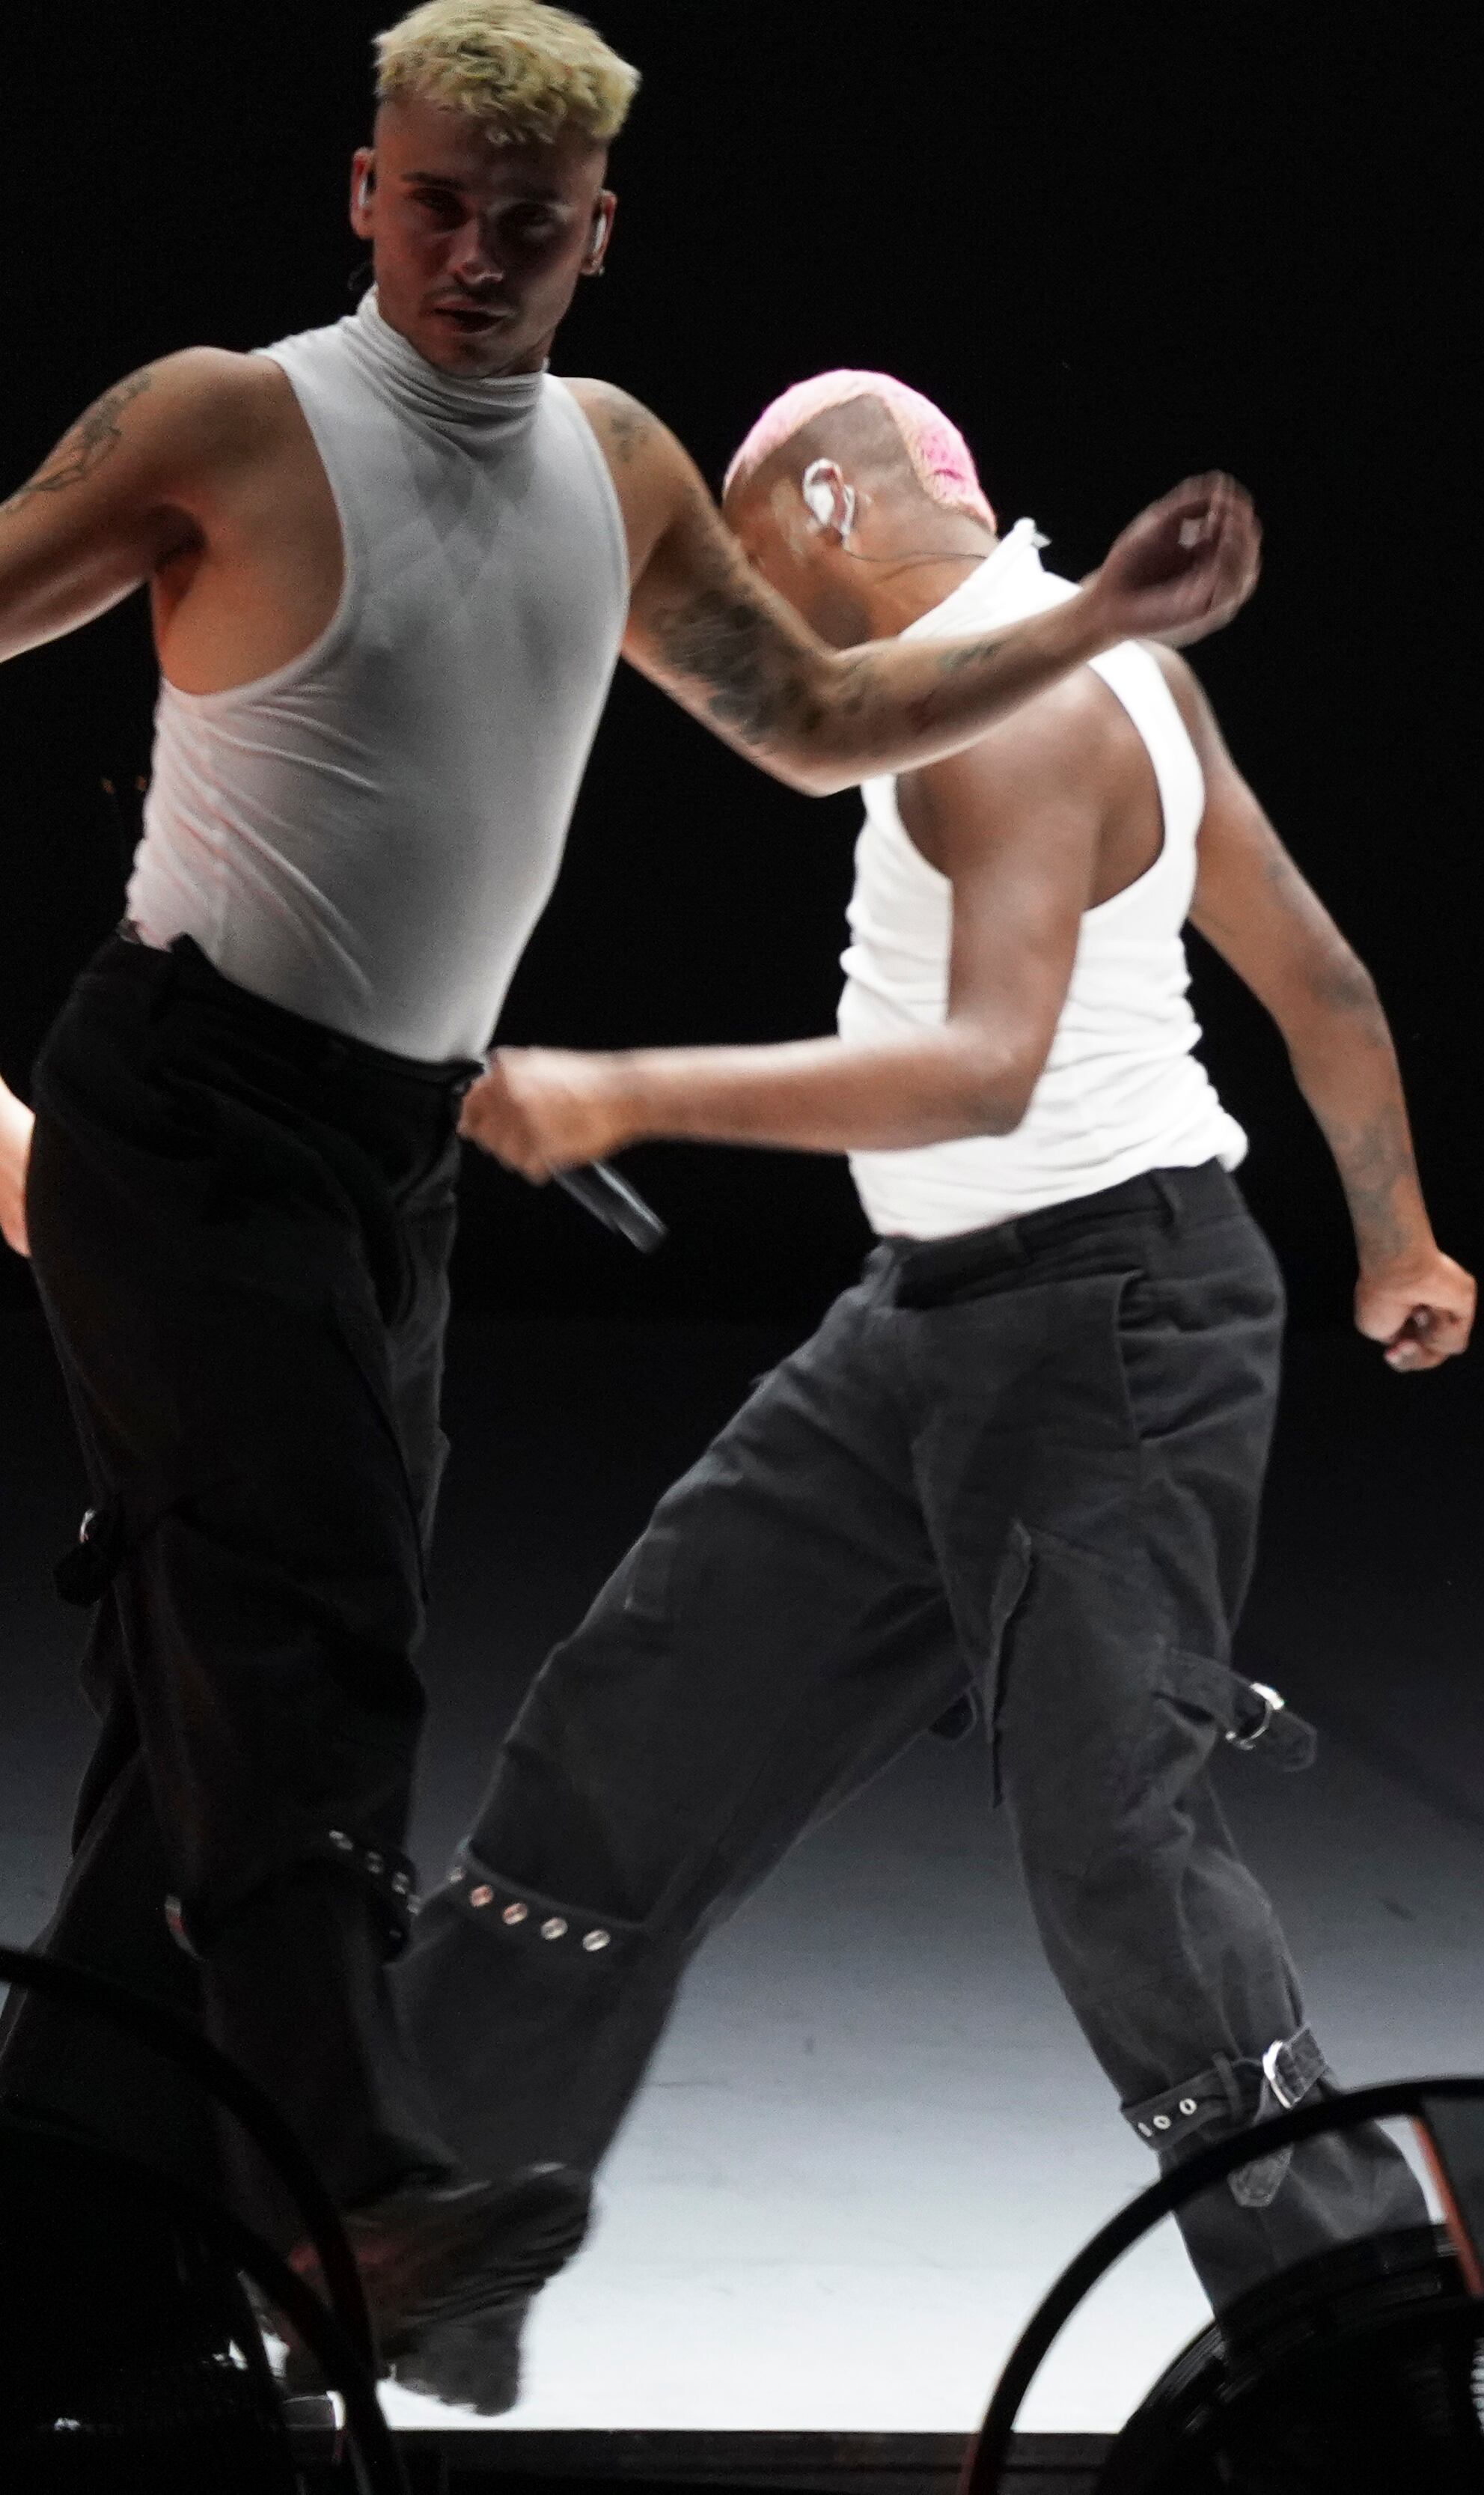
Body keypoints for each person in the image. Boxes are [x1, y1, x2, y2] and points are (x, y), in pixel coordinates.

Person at [0, 0, 1258, 2395]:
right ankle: (350, 2190)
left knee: (205, 1714)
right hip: (184, 1117)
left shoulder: (615, 459)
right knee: (307, 1634)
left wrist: (1093, 621)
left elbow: (803, 726)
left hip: (386, 1153)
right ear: (361, 189)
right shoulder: (227, 421)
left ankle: (64, 2227)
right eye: (438, 203)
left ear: (604, 233)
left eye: (533, 221)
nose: (479, 256)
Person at [367, 374, 1474, 2415]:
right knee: (634, 1720)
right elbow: (1320, 980)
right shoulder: (1093, 668)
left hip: (1112, 1332)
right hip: (933, 1325)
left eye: (750, 547)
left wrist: (632, 1091)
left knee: (1114, 1857)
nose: (748, 608)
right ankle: (415, 2254)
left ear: (826, 496)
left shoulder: (1020, 709)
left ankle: (1387, 2368)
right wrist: (1398, 1238)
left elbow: (983, 1064)